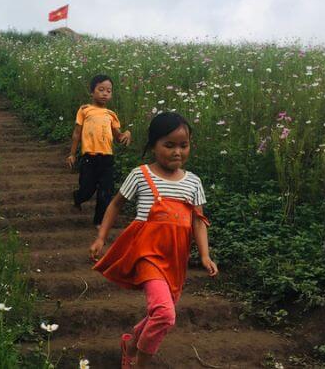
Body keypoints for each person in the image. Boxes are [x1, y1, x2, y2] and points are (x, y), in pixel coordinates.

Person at [89, 112, 218, 368]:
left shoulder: (193, 182)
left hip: (176, 259)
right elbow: (116, 204)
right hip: (146, 253)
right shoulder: (141, 174)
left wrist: (204, 255)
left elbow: (198, 221)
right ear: (152, 146)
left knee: (160, 312)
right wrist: (101, 237)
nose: (177, 152)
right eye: (168, 145)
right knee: (165, 315)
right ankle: (139, 363)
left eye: (184, 145)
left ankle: (132, 342)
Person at [66, 74, 131, 227]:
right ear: (92, 92)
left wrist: (127, 134)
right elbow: (77, 133)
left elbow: (118, 137)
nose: (105, 93)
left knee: (106, 193)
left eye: (109, 91)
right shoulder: (84, 110)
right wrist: (72, 154)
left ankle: (99, 221)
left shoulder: (111, 115)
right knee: (87, 190)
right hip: (89, 158)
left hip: (107, 159)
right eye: (101, 89)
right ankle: (78, 198)